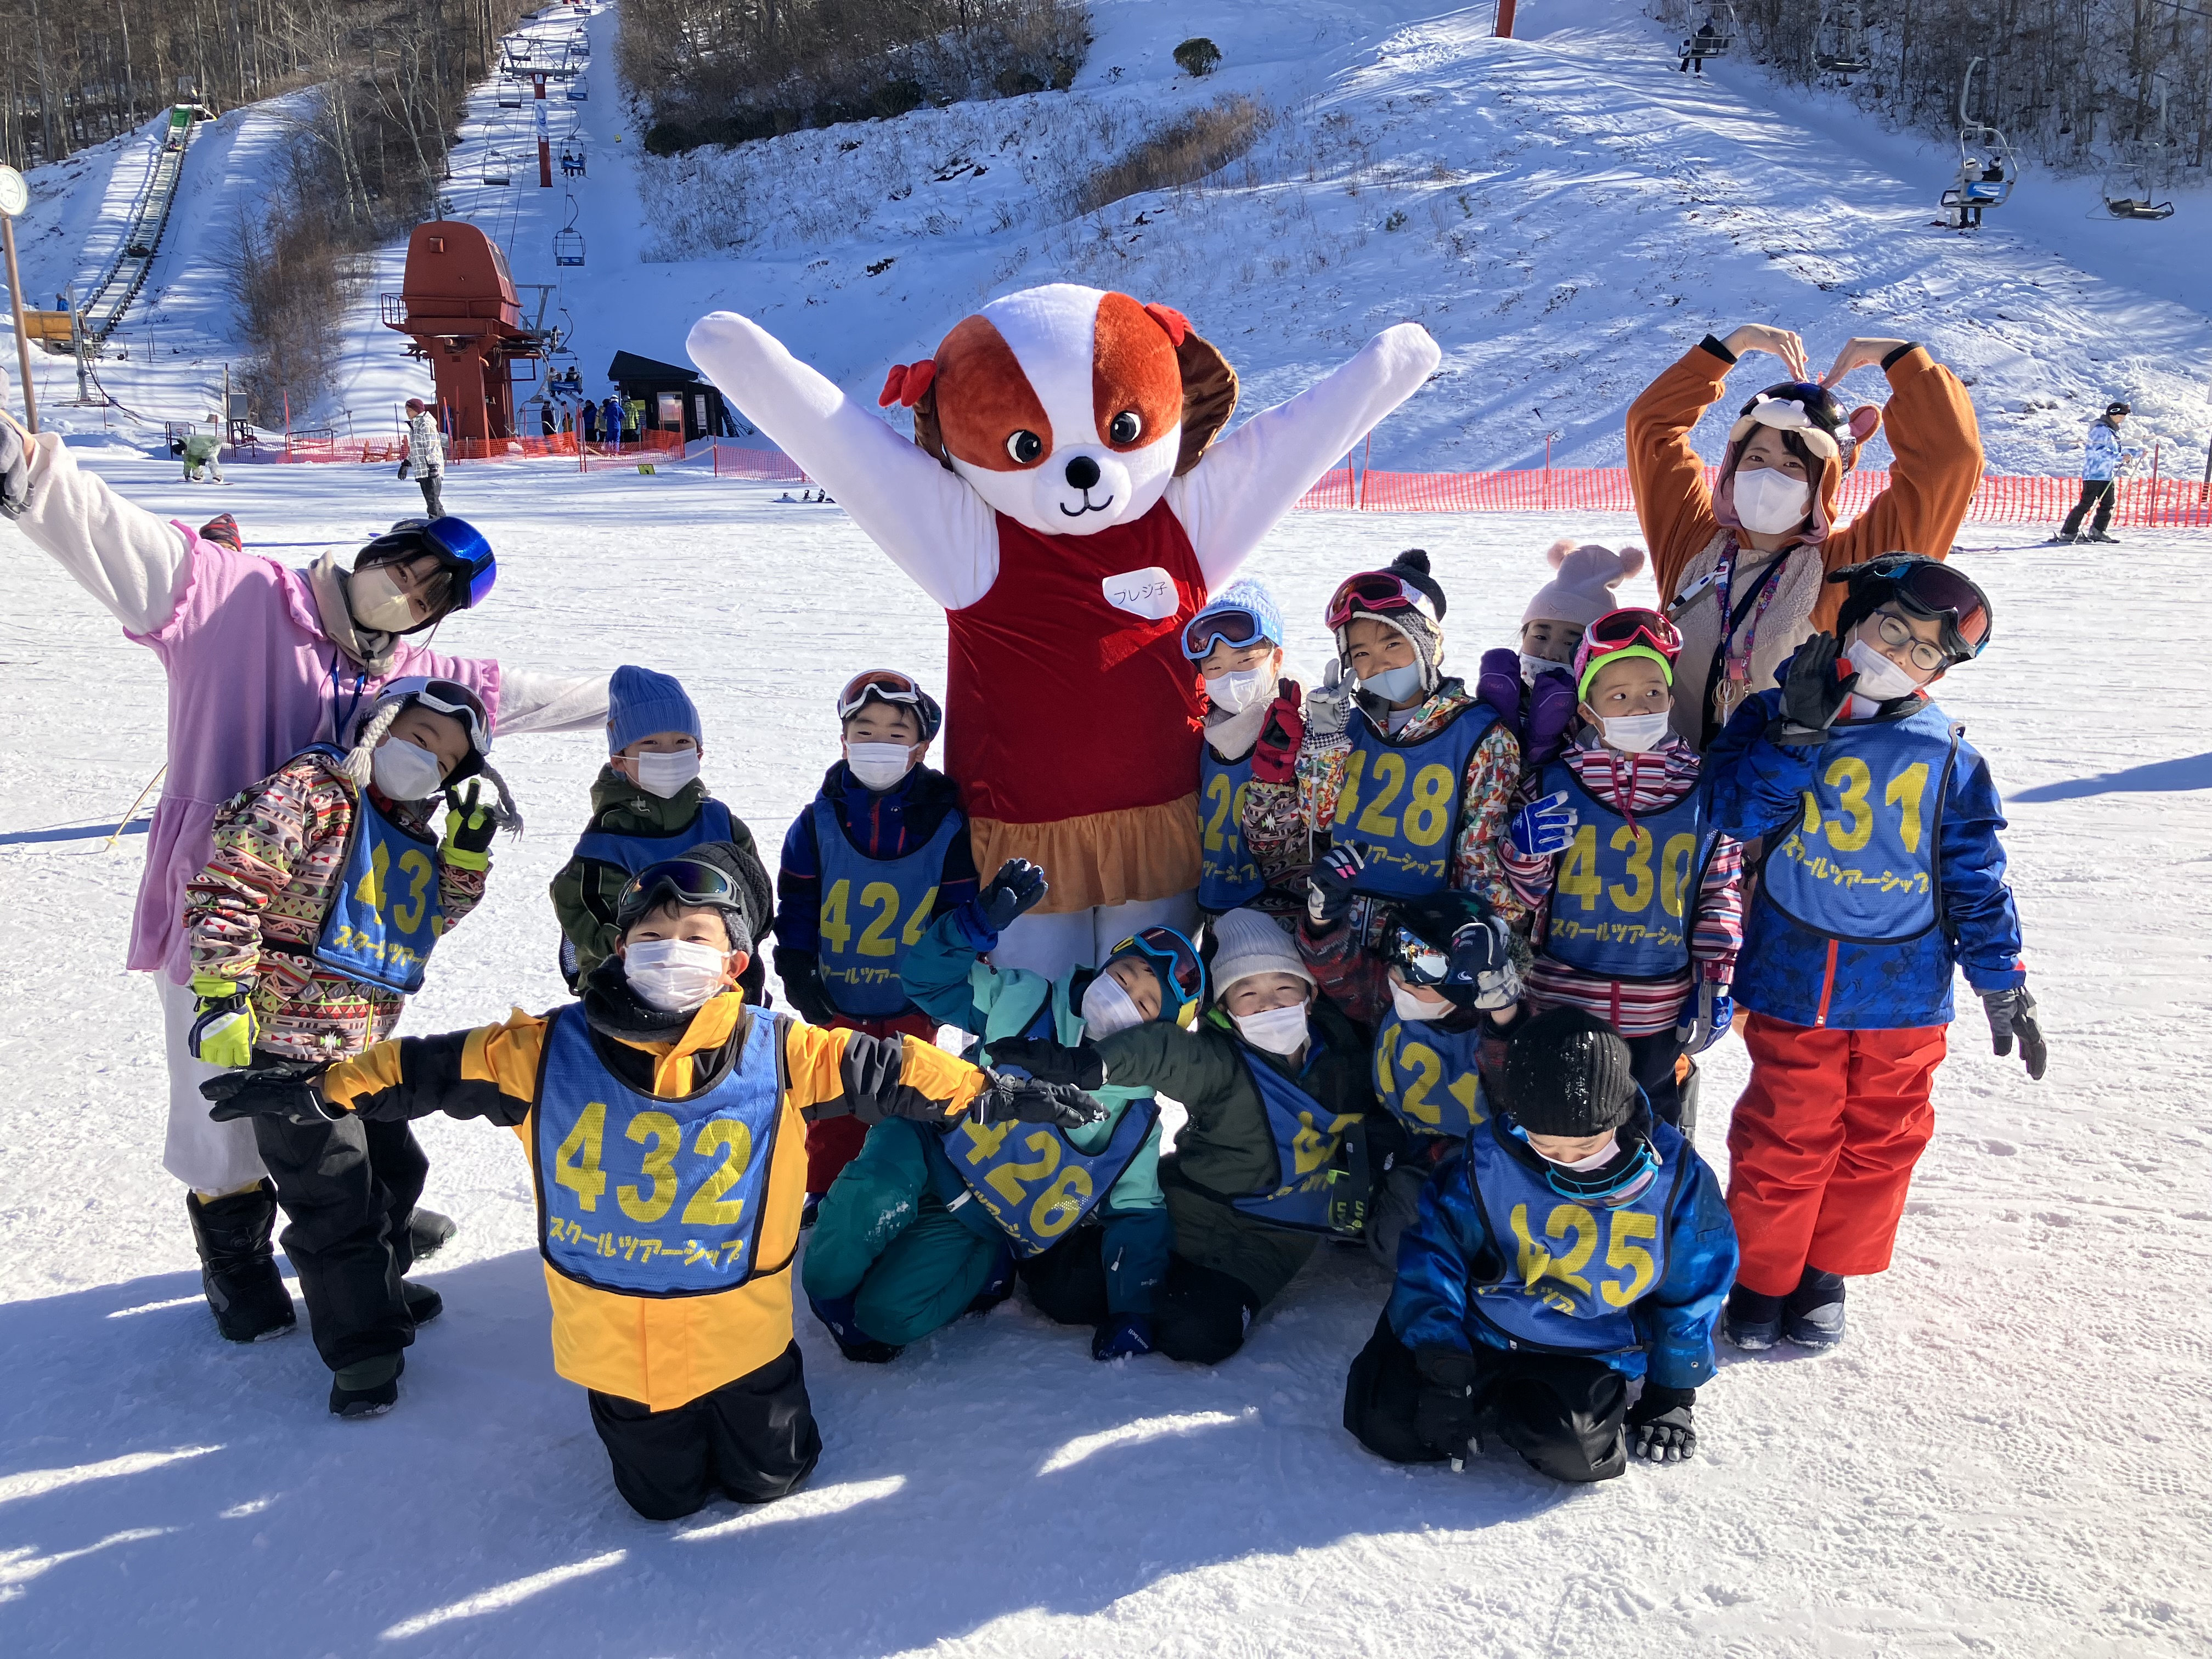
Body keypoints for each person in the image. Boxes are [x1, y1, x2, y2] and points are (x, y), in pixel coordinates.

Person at [202, 860, 1101, 1508]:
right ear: (619, 949)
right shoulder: (541, 1049)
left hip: (744, 1335)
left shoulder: (781, 1050)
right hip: (616, 1348)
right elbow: (419, 1067)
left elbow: (895, 1068)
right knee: (661, 1499)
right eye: (651, 935)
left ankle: (759, 1439)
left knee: (769, 1481)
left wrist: (1000, 1093)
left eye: (695, 937)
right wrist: (316, 1087)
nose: (671, 949)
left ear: (735, 962)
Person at [0, 410, 607, 1340]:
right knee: (219, 1081)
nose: (405, 590)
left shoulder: (413, 670)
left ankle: (359, 1218)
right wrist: (33, 471)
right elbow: (109, 529)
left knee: (339, 1073)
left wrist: (636, 700)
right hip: (228, 908)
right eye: (404, 565)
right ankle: (234, 1250)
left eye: (427, 593)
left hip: (343, 928)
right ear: (379, 547)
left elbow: (526, 696)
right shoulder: (232, 592)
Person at [1705, 555, 2043, 1351]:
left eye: (1926, 651)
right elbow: (1733, 813)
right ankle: (1764, 1276)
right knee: (1785, 1132)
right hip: (1797, 972)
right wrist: (1797, 731)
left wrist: (2003, 982)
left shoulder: (1949, 754)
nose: (1901, 654)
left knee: (1884, 1139)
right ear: (1854, 620)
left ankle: (1827, 1269)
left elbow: (1975, 881)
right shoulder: (1770, 712)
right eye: (1893, 628)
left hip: (1903, 986)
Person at [183, 679, 518, 1412]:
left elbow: (424, 922)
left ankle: (382, 1288)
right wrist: (222, 992)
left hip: (368, 1046)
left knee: (396, 1172)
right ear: (384, 725)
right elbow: (231, 889)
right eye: (421, 737)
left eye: (446, 760)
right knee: (335, 1199)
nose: (426, 760)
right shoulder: (312, 792)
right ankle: (362, 1351)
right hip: (289, 1042)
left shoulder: (407, 828)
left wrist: (465, 851)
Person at [1342, 1008, 1736, 1482]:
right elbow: (1435, 1253)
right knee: (1385, 1423)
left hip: (1581, 1345)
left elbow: (1696, 1284)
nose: (1566, 1164)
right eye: (1546, 1147)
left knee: (1577, 1457)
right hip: (1482, 1324)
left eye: (1586, 1148)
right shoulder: (1486, 1161)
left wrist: (1672, 1391)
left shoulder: (1677, 1179)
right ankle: (1468, 1388)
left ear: (1619, 1115)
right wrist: (1441, 1364)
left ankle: (1518, 1404)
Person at [808, 867, 1182, 1362]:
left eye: (1145, 1002)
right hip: (927, 1138)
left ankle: (981, 1273)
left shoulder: (1134, 1120)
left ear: (1160, 1033)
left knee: (886, 1321)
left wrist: (1133, 1308)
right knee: (865, 1213)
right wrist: (970, 926)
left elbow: (1138, 1214)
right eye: (1123, 975)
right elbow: (925, 983)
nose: (1123, 996)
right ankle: (826, 1285)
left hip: (979, 1218)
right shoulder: (1025, 999)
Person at [990, 906, 1375, 1364]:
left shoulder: (1346, 1060)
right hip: (1186, 1211)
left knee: (1197, 1333)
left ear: (1309, 997)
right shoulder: (1220, 1061)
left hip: (1268, 1241)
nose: (1269, 1004)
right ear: (1227, 1011)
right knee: (1063, 1292)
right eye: (1247, 993)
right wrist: (1089, 1065)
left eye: (1284, 988)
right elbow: (1163, 1052)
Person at [1627, 326, 1984, 751]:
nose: (1768, 475)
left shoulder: (1846, 568)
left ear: (1824, 484)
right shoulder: (1692, 541)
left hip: (1779, 800)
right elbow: (1651, 429)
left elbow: (1949, 463)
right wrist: (1729, 348)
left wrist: (1901, 358)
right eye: (1756, 458)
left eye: (1793, 465)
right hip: (1668, 790)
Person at [1500, 608, 1744, 1135]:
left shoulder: (1705, 793)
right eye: (1620, 696)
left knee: (1648, 1137)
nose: (1640, 706)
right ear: (1588, 711)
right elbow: (1526, 899)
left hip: (1657, 1015)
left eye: (1653, 692)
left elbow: (1719, 893)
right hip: (1562, 1006)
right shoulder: (1553, 785)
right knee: (1559, 1136)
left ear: (1671, 700)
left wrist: (1715, 981)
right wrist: (1524, 852)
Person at [772, 670, 978, 1204]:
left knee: (906, 1100)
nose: (878, 745)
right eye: (865, 731)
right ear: (844, 740)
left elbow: (956, 910)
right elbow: (796, 901)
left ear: (919, 747)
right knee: (834, 1099)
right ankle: (824, 1193)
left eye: (895, 733)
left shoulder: (945, 824)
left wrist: (951, 981)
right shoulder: (816, 823)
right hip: (837, 998)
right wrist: (795, 963)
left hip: (913, 1001)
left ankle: (900, 1196)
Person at [1243, 550, 1524, 940]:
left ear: (1428, 643)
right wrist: (1325, 744)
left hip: (1425, 934)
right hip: (1341, 923)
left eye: (1393, 644)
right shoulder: (1351, 728)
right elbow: (1320, 821)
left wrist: (1496, 930)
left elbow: (1477, 851)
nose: (1379, 664)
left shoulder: (1481, 736)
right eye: (1361, 654)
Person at [1295, 885, 1525, 1265]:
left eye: (1418, 981)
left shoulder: (1487, 1034)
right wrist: (1323, 922)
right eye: (1398, 970)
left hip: (1459, 1159)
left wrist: (1506, 1020)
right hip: (1390, 1132)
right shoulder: (1390, 1002)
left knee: (1406, 1245)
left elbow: (1514, 1082)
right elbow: (1341, 973)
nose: (1400, 983)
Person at [551, 665, 773, 1003]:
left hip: (717, 985)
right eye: (650, 744)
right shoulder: (608, 837)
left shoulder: (722, 823)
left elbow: (754, 898)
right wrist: (643, 958)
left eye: (681, 742)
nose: (668, 754)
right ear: (620, 759)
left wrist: (734, 958)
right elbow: (585, 915)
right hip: (627, 992)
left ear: (698, 752)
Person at [1182, 581, 1310, 922]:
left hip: (1278, 906)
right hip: (1215, 902)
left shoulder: (1298, 727)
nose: (1230, 677)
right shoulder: (1208, 733)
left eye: (1245, 660)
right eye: (1215, 667)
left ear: (1275, 659)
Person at [1475, 539, 1646, 780]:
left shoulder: (1601, 712)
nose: (1550, 652)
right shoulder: (1500, 687)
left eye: (1570, 643)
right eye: (1540, 636)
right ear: (1523, 636)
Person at [2053, 401, 2140, 545]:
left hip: (2106, 475)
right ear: (2113, 414)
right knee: (2086, 503)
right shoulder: (2100, 430)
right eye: (2121, 415)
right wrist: (2119, 458)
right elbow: (2099, 451)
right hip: (2094, 474)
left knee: (2108, 504)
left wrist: (2136, 452)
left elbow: (2115, 451)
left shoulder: (2111, 431)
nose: (2123, 418)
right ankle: (2069, 531)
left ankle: (2098, 531)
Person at [402, 398, 447, 517]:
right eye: (406, 410)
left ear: (417, 410)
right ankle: (441, 525)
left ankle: (437, 528)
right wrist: (407, 463)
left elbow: (431, 447)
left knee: (433, 504)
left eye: (409, 410)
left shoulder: (426, 425)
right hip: (423, 470)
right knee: (432, 503)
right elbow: (417, 449)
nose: (407, 413)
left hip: (430, 471)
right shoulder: (416, 426)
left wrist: (434, 467)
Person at [182, 417, 225, 484]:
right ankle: (198, 475)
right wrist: (186, 474)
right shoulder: (188, 448)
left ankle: (218, 476)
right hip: (204, 447)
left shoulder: (194, 444)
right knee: (194, 460)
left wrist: (203, 458)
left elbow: (206, 449)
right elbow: (187, 462)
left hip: (214, 444)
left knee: (212, 459)